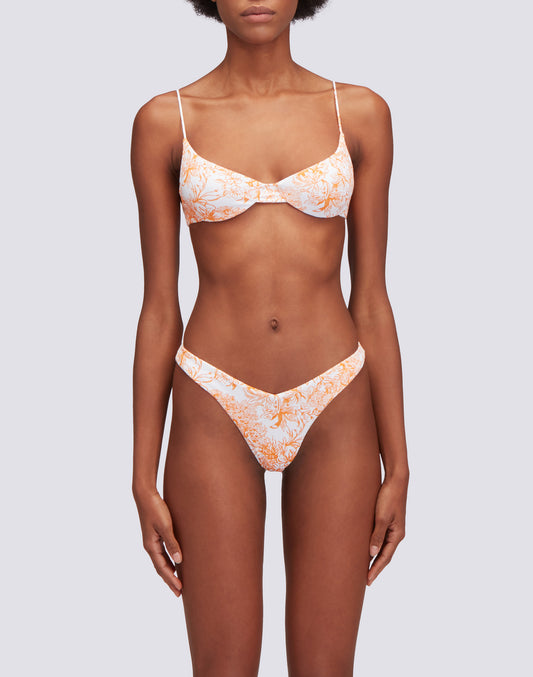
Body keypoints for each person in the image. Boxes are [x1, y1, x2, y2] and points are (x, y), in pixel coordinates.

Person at [130, 1, 409, 674]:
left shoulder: (360, 114)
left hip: (335, 399)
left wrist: (399, 463)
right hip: (213, 401)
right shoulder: (165, 120)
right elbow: (159, 307)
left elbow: (372, 300)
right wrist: (141, 473)